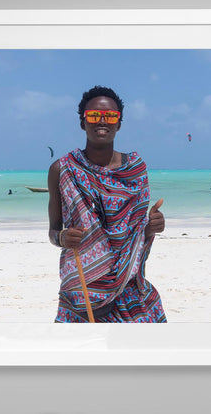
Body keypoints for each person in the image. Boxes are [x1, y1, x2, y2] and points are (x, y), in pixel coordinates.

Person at [47, 85, 167, 323]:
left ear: (119, 123)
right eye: (93, 115)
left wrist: (153, 225)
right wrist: (63, 238)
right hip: (82, 290)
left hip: (129, 285)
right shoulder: (62, 169)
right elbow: (53, 231)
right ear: (83, 122)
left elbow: (138, 229)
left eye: (110, 116)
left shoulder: (135, 169)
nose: (102, 121)